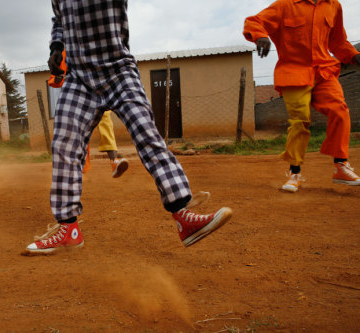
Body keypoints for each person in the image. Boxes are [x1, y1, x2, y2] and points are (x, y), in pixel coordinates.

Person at [22, 0, 232, 255]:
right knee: (63, 144)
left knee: (147, 134)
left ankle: (183, 217)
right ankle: (69, 230)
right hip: (78, 78)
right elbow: (58, 19)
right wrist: (57, 45)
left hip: (118, 71)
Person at [244, 0, 360, 192]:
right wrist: (260, 36)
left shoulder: (333, 6)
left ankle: (341, 165)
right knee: (300, 120)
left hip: (323, 71)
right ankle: (294, 172)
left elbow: (338, 41)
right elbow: (254, 21)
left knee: (340, 110)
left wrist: (354, 55)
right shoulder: (285, 5)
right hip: (293, 72)